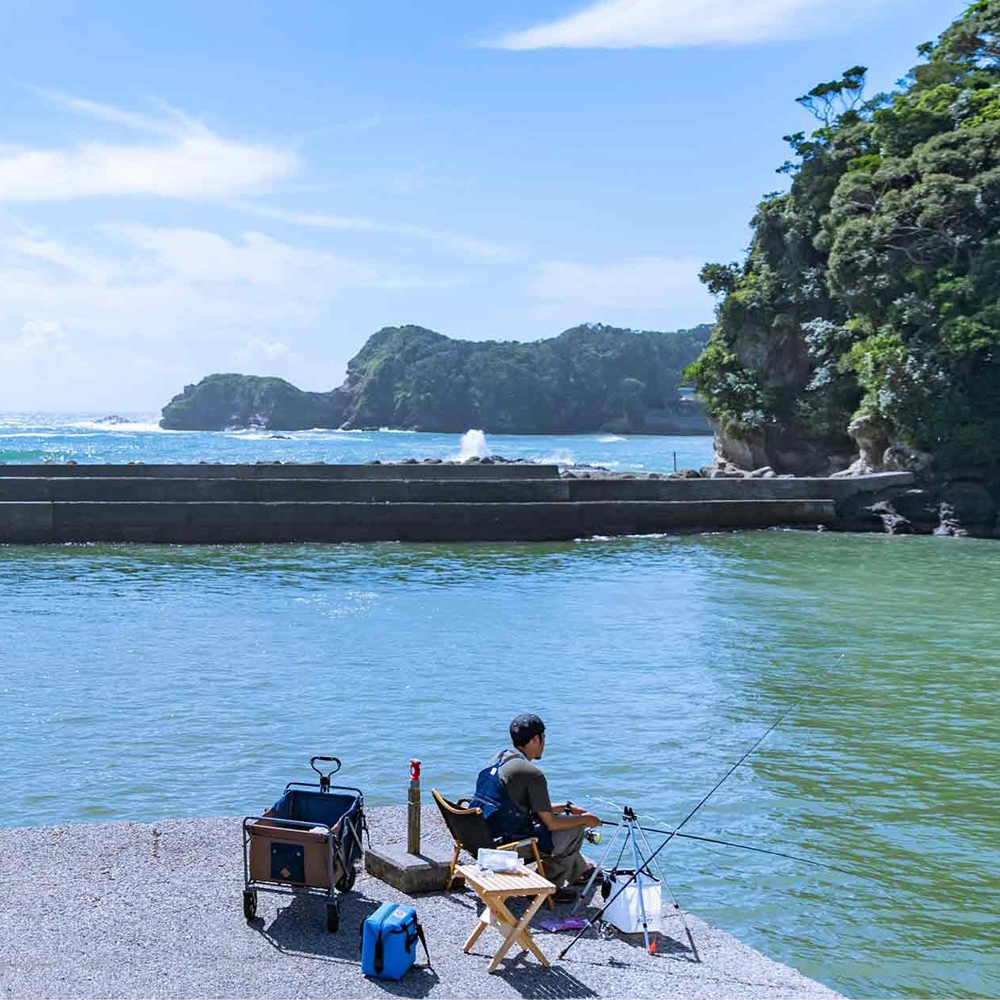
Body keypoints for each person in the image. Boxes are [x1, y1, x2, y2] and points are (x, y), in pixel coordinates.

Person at [474, 713, 601, 899]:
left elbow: (523, 805)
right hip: (505, 846)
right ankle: (545, 888)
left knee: (566, 820)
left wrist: (566, 807)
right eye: (544, 738)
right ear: (535, 739)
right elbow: (551, 824)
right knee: (575, 829)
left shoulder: (499, 758)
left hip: (483, 834)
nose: (544, 743)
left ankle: (579, 871)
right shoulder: (533, 774)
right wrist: (586, 820)